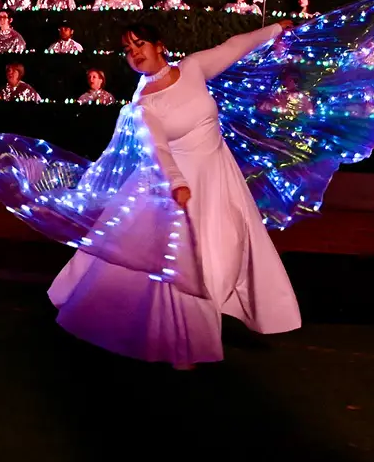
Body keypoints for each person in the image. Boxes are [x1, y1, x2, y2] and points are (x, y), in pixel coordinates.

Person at [44, 22, 302, 367]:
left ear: (159, 45)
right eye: (128, 49)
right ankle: (188, 343)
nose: (135, 52)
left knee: (229, 248)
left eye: (140, 44)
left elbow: (234, 46)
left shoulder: (193, 68)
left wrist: (274, 29)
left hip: (219, 177)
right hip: (176, 187)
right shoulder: (143, 103)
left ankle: (209, 324)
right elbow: (158, 149)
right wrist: (177, 183)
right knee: (189, 262)